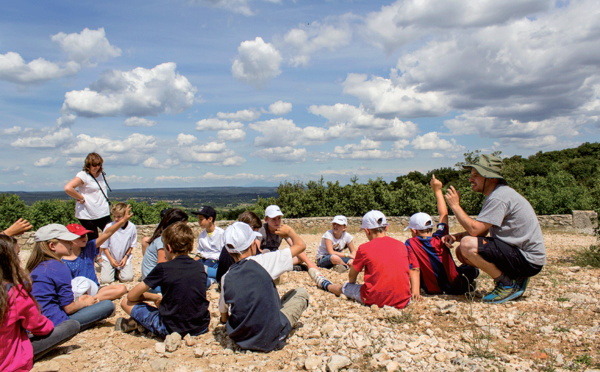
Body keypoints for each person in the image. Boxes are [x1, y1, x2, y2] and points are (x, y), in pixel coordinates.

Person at [443, 154, 546, 304]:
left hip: (528, 259)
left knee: (467, 245)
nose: (471, 179)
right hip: (523, 256)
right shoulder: (497, 195)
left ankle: (506, 284)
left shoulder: (499, 197)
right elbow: (482, 231)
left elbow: (474, 231)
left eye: (476, 175)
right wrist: (455, 237)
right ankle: (516, 277)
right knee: (461, 251)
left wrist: (455, 206)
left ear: (491, 178)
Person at [219, 222, 309, 352]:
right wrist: (290, 232)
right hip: (271, 337)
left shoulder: (225, 277)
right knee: (300, 293)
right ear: (252, 245)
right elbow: (301, 246)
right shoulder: (264, 261)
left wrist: (225, 320)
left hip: (241, 339)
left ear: (228, 250)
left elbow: (223, 312)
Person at [116, 222, 210, 339]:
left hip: (171, 328)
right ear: (191, 246)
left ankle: (142, 324)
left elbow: (131, 296)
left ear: (169, 248)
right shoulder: (199, 267)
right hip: (201, 326)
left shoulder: (163, 268)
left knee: (125, 302)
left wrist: (154, 297)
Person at [309, 210, 419, 309]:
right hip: (404, 300)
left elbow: (352, 274)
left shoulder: (364, 248)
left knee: (344, 288)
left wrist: (351, 283)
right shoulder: (401, 246)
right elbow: (413, 269)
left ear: (367, 231)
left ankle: (325, 284)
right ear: (386, 227)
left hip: (375, 299)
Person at [0, 234, 79, 371]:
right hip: (9, 360)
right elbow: (40, 326)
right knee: (72, 325)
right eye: (17, 255)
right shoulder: (14, 292)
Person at [26, 224, 115, 332]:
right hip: (55, 322)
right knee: (107, 305)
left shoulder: (37, 266)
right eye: (67, 242)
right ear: (52, 246)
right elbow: (69, 308)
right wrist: (84, 303)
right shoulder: (58, 266)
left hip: (36, 320)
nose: (70, 244)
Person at [404, 175, 479, 296]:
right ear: (431, 227)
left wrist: (415, 292)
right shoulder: (441, 237)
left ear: (414, 231)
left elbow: (414, 267)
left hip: (431, 289)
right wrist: (437, 190)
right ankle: (469, 284)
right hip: (457, 286)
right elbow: (443, 214)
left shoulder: (411, 243)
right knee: (471, 270)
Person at [63, 205, 133, 301]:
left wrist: (122, 221)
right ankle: (89, 300)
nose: (84, 238)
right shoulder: (63, 261)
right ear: (69, 239)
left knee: (122, 288)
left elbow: (107, 234)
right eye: (80, 236)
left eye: (85, 235)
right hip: (78, 291)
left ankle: (92, 299)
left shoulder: (89, 248)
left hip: (95, 289)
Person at [64, 152, 111, 241]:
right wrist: (80, 197)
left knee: (112, 234)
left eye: (98, 165)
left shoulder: (100, 174)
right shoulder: (83, 175)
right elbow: (68, 188)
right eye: (94, 165)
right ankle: (93, 255)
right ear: (88, 165)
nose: (96, 167)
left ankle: (108, 254)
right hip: (87, 213)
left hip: (102, 212)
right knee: (93, 238)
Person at [141, 208, 189, 293]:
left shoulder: (164, 237)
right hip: (154, 283)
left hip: (153, 280)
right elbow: (162, 267)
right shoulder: (162, 241)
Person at [259, 205, 319, 272]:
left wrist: (309, 264)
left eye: (279, 218)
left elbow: (295, 246)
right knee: (266, 252)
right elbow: (256, 250)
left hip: (276, 257)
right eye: (273, 219)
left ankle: (280, 267)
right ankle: (286, 267)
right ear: (266, 220)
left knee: (300, 258)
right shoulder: (262, 230)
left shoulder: (282, 230)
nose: (277, 222)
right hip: (264, 257)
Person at [215, 210, 262, 286]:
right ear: (251, 228)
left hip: (222, 282)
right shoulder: (245, 247)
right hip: (235, 284)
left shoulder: (228, 244)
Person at [99, 203, 137, 284]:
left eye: (119, 217)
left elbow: (132, 245)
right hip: (109, 257)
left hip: (124, 257)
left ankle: (117, 272)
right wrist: (111, 259)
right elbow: (104, 246)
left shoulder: (132, 227)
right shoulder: (109, 226)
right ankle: (112, 270)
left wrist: (126, 257)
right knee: (106, 280)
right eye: (114, 216)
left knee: (127, 278)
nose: (116, 219)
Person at [192, 206, 224, 288]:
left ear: (210, 219)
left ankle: (212, 277)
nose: (199, 222)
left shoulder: (221, 234)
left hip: (214, 262)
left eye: (201, 219)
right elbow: (199, 253)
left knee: (200, 270)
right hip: (203, 260)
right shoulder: (201, 235)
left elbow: (223, 254)